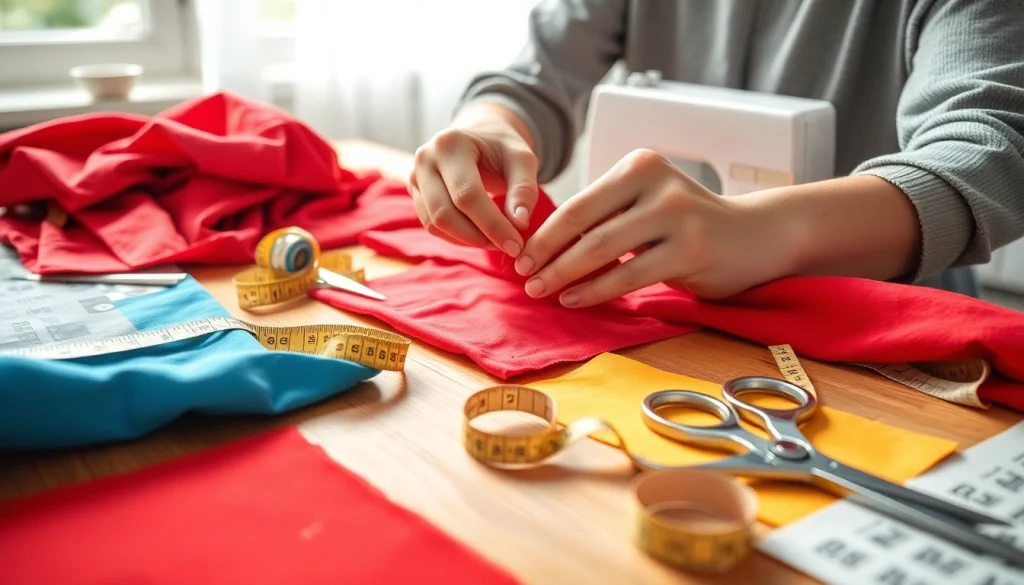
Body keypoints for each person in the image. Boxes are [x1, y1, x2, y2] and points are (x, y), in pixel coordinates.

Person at [409, 0, 1024, 308]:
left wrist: (764, 230)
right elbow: (536, 78)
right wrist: (487, 125)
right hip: (671, 302)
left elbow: (993, 146)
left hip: (890, 311)